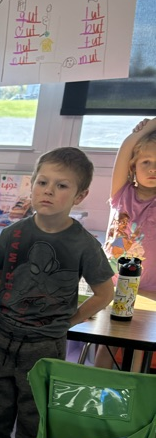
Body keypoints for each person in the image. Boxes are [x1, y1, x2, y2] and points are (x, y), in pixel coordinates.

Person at [0, 147, 114, 438]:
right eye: (42, 182)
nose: (48, 191)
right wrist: (12, 300)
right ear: (32, 185)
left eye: (61, 186)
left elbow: (104, 293)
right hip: (4, 339)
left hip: (45, 346)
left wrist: (68, 320)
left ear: (80, 195)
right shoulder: (15, 233)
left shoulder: (83, 244)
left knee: (32, 419)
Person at [95, 117, 156, 370]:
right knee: (106, 344)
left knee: (139, 349)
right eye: (146, 163)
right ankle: (93, 392)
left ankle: (131, 394)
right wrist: (150, 126)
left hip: (149, 291)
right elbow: (127, 146)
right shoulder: (121, 193)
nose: (153, 169)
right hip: (111, 285)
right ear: (133, 167)